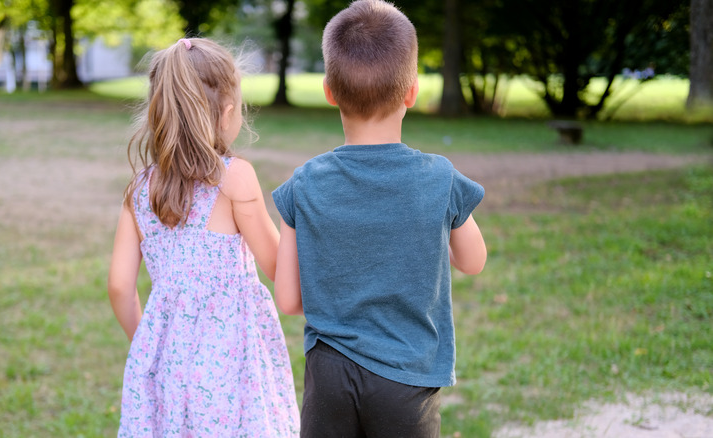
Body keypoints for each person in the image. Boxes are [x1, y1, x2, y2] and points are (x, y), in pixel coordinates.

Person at [271, 1, 487, 436]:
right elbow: (473, 260)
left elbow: (290, 300)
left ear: (330, 92)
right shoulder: (440, 178)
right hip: (407, 378)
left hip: (328, 376)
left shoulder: (304, 183)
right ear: (411, 92)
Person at [108, 37, 300, 437]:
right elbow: (277, 265)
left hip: (167, 358)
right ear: (227, 112)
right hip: (232, 361)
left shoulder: (140, 188)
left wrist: (147, 344)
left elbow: (120, 287)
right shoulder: (233, 177)